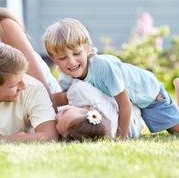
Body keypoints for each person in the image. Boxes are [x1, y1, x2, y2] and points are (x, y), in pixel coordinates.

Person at [43, 18, 179, 140]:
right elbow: (64, 100)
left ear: (87, 49)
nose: (71, 61)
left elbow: (124, 103)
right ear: (54, 59)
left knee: (176, 130)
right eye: (62, 58)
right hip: (134, 102)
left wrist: (121, 137)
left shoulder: (103, 67)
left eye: (77, 53)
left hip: (149, 94)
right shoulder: (66, 78)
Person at [55, 79, 143, 140]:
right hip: (133, 120)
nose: (56, 115)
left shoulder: (79, 91)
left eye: (56, 121)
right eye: (64, 111)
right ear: (86, 109)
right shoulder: (81, 91)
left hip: (132, 120)